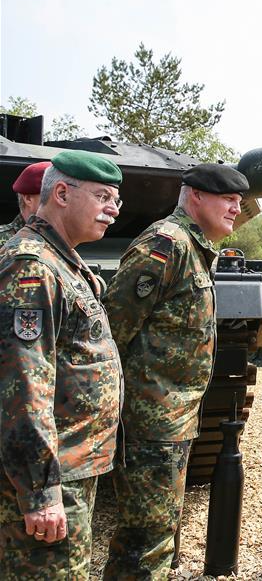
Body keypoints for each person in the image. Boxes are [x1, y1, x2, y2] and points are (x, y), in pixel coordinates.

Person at [101, 163, 248, 579]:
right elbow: (112, 331)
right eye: (228, 199)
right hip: (150, 423)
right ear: (195, 196)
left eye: (239, 200)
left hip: (170, 421)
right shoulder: (166, 245)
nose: (237, 209)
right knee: (147, 542)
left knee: (154, 535)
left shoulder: (192, 246)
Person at [0, 151, 122, 579]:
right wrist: (40, 492)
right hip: (55, 471)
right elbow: (23, 385)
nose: (113, 209)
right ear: (63, 194)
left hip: (71, 465)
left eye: (117, 200)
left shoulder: (62, 260)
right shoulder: (31, 267)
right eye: (103, 196)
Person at [0, 160, 51, 246]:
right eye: (53, 195)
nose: (61, 202)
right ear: (28, 199)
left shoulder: (66, 240)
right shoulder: (4, 238)